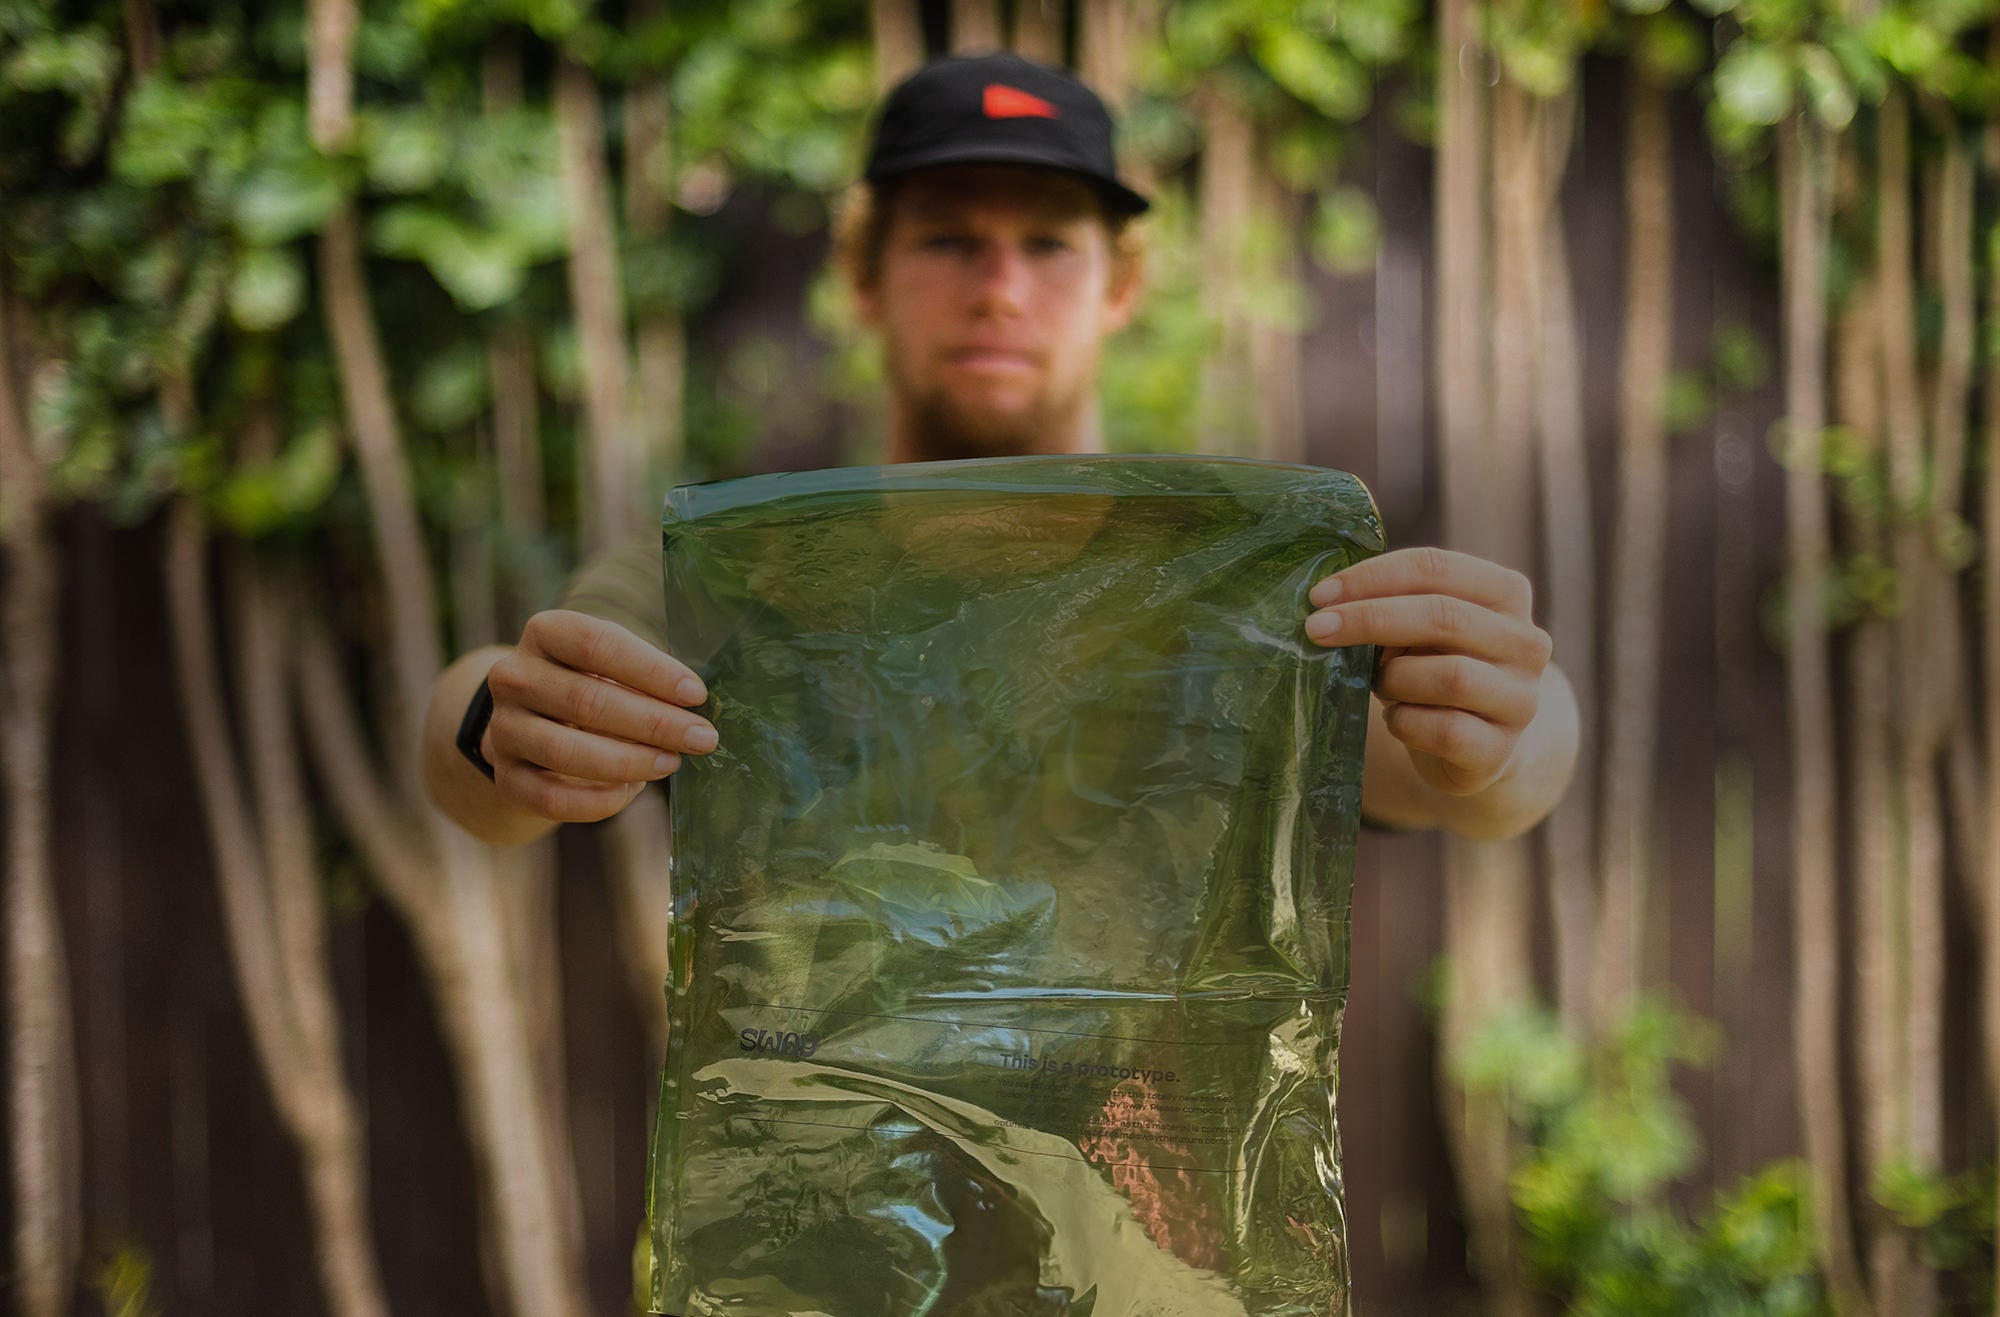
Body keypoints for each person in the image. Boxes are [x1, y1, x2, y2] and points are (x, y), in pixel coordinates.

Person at [420, 50, 1579, 851]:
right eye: (948, 239)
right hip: (791, 1202)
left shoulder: (1233, 571)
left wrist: (1504, 731)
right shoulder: (736, 563)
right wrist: (502, 729)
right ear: (863, 277)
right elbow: (490, 736)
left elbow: (1446, 777)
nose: (999, 291)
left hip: (1154, 1203)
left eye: (1046, 243)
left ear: (1119, 285)